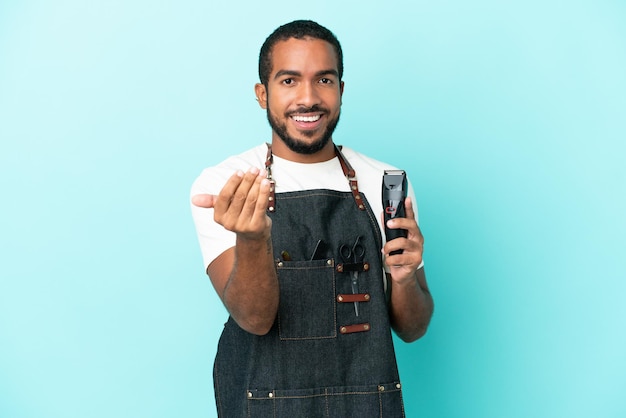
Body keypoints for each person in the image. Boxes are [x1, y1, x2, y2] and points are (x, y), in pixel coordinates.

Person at [190, 19, 434, 417]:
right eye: (289, 81)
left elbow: (413, 328)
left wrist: (405, 279)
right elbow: (254, 318)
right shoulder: (227, 186)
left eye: (324, 80)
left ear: (340, 90)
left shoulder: (386, 183)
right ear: (261, 93)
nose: (308, 98)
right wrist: (253, 240)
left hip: (367, 405)